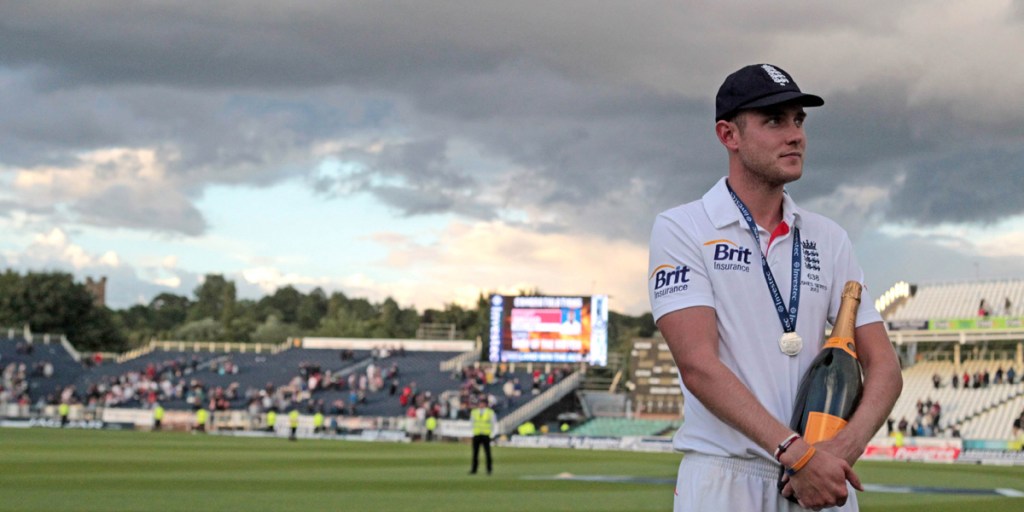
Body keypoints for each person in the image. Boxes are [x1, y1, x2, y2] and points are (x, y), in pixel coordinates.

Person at [647, 63, 903, 511]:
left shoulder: (829, 237)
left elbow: (885, 368)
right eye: (774, 121)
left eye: (799, 121)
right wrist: (796, 453)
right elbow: (698, 365)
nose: (795, 135)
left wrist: (838, 454)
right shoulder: (683, 228)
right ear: (729, 135)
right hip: (728, 479)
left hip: (821, 479)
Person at [469, 395, 497, 475]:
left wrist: (491, 434)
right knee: (475, 453)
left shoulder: (490, 412)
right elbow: (471, 423)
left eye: (483, 403)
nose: (481, 404)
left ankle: (489, 469)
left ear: (485, 404)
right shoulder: (474, 412)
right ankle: (474, 469)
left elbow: (493, 423)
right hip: (477, 434)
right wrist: (473, 431)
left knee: (487, 453)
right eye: (480, 403)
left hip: (485, 435)